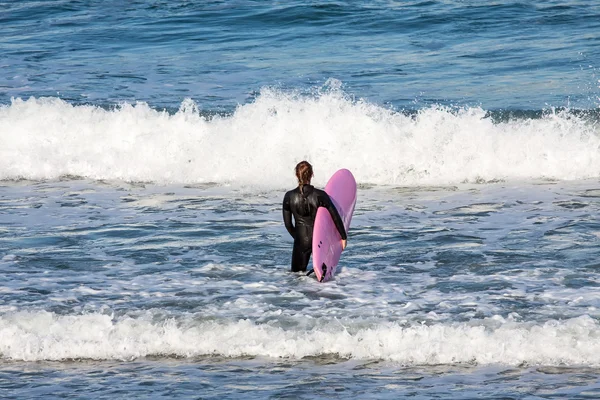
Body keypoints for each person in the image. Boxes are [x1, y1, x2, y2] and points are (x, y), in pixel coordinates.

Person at [282, 161, 347, 273]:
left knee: (297, 276)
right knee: (322, 275)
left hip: (301, 240)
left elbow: (288, 224)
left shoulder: (289, 196)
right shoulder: (320, 195)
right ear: (312, 174)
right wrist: (343, 237)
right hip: (320, 239)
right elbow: (335, 216)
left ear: (297, 175)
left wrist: (298, 238)